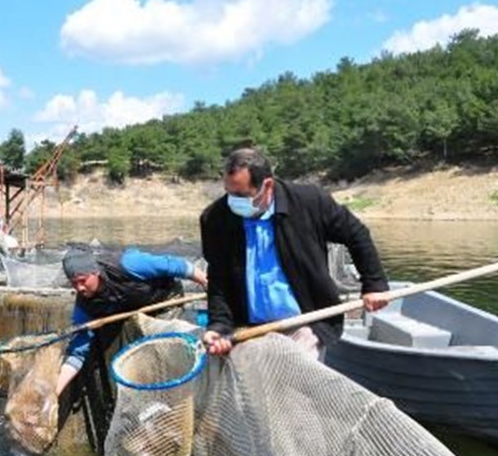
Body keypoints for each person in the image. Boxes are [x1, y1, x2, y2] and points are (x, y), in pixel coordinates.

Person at [199, 147, 389, 358]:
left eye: (241, 195)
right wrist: (218, 325)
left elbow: (357, 235)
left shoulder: (309, 201)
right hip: (248, 327)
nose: (233, 201)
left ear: (267, 185)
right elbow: (218, 277)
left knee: (293, 378)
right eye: (229, 192)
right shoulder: (215, 218)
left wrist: (374, 284)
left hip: (305, 322)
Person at [54, 247, 208, 397]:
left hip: (163, 301)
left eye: (83, 280)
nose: (79, 288)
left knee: (161, 349)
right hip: (130, 307)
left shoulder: (128, 263)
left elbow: (177, 265)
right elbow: (78, 353)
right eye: (74, 283)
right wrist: (55, 392)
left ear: (95, 272)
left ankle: (169, 397)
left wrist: (206, 282)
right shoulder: (85, 307)